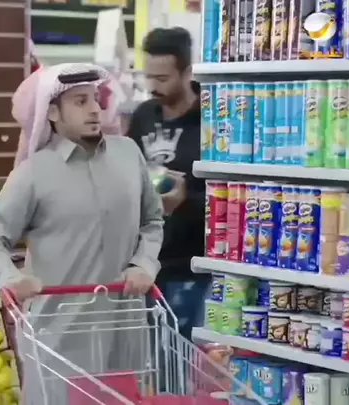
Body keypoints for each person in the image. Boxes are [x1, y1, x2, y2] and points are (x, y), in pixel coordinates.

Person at [0, 63, 164, 403]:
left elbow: (152, 220)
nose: (94, 109)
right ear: (52, 112)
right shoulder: (33, 173)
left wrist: (144, 264)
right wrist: (9, 279)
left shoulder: (128, 154)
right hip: (59, 338)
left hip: (126, 332)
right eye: (80, 101)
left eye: (95, 98)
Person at [125, 27, 208, 339]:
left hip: (196, 264)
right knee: (153, 356)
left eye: (162, 78)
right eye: (149, 77)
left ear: (187, 72)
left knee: (188, 356)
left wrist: (187, 199)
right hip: (149, 262)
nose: (153, 87)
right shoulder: (144, 115)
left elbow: (235, 194)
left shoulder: (211, 118)